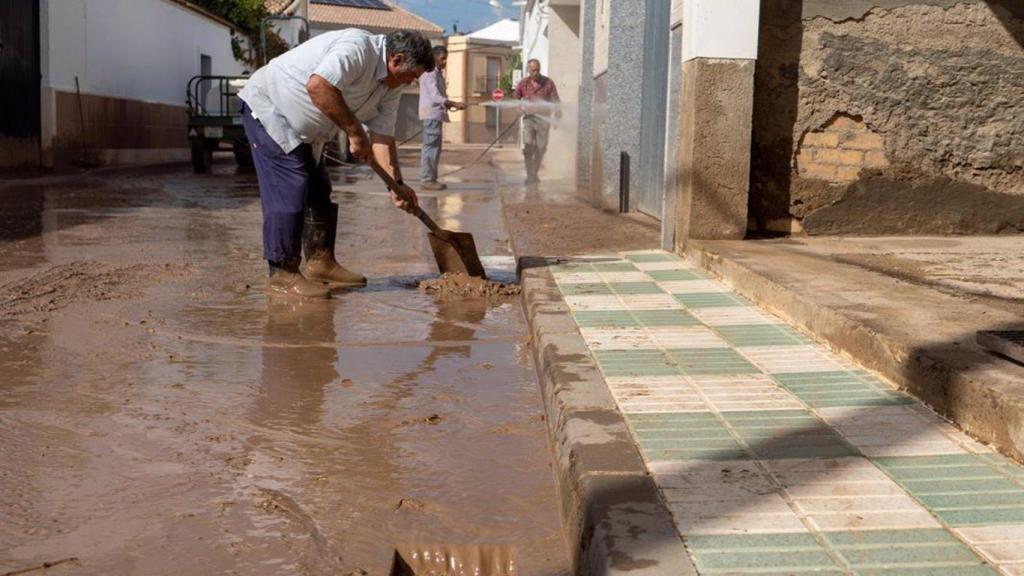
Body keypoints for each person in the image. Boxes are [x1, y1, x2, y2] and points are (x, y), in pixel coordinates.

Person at [238, 29, 433, 299]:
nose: (412, 83)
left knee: (318, 188)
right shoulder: (357, 48)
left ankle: (321, 263)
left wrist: (396, 185)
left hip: (308, 131)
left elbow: (382, 136)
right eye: (412, 76)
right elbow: (319, 86)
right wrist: (354, 131)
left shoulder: (391, 86)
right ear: (396, 60)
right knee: (291, 186)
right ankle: (282, 273)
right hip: (270, 108)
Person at [418, 45, 466, 191]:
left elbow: (439, 97)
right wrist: (453, 103)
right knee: (431, 148)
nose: (445, 62)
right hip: (431, 115)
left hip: (435, 115)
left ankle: (431, 179)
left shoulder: (437, 73)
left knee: (435, 148)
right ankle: (427, 180)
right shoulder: (431, 72)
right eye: (442, 58)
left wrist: (451, 105)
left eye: (446, 59)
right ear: (434, 58)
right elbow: (435, 96)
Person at [511, 58, 560, 184]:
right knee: (528, 146)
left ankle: (535, 173)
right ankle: (529, 175)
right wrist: (518, 107)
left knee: (541, 148)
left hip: (544, 121)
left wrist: (557, 116)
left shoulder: (548, 83)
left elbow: (555, 100)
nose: (535, 72)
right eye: (533, 70)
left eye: (537, 70)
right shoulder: (523, 83)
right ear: (528, 70)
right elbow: (516, 96)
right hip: (529, 119)